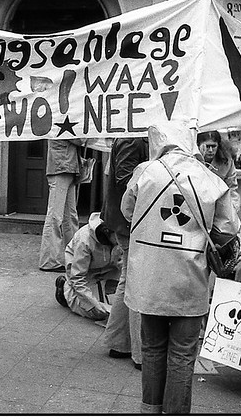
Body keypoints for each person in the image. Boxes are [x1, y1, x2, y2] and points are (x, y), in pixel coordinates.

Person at [122, 121, 240, 414]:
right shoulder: (210, 179)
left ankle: (149, 410)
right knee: (183, 354)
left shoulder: (145, 172)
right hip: (190, 279)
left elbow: (127, 211)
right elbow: (229, 228)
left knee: (151, 349)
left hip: (150, 279)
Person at [101, 137, 148, 369]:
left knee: (128, 279)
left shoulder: (131, 135)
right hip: (128, 220)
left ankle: (119, 343)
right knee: (135, 281)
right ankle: (139, 353)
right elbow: (126, 179)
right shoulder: (133, 138)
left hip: (123, 219)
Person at [54, 212, 122, 321]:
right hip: (85, 273)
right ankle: (65, 291)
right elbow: (78, 278)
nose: (122, 239)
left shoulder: (117, 236)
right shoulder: (84, 240)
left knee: (124, 302)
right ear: (107, 232)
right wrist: (93, 304)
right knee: (98, 312)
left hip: (108, 269)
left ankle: (103, 290)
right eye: (119, 236)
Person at [39, 139, 83, 271]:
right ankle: (49, 260)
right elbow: (80, 140)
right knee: (56, 217)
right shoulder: (62, 119)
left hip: (66, 167)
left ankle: (71, 256)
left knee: (69, 217)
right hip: (62, 166)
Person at [196, 131, 240, 212]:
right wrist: (200, 159)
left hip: (218, 206)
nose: (210, 150)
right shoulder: (191, 161)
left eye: (213, 146)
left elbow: (231, 187)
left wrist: (233, 210)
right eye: (207, 146)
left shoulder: (226, 161)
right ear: (198, 145)